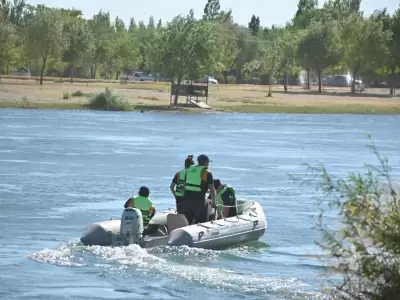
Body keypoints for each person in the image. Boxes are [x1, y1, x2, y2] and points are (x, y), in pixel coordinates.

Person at [181, 154, 216, 224]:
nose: (208, 164)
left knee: (187, 222)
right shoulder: (207, 172)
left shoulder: (189, 170)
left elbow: (184, 185)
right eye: (208, 162)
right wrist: (214, 203)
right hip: (199, 201)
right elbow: (212, 189)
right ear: (205, 162)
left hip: (186, 200)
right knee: (201, 223)